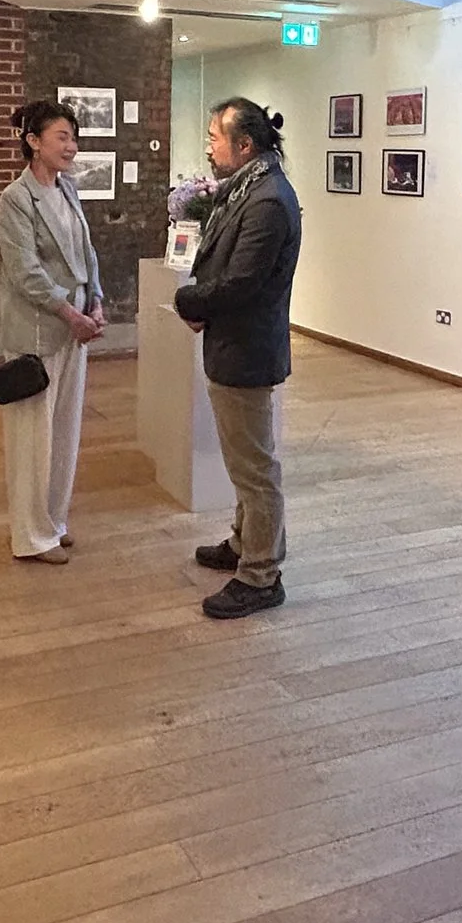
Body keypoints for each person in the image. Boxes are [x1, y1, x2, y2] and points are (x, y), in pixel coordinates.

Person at [175, 97, 303, 619]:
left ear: (244, 145)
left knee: (254, 467)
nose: (208, 146)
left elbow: (245, 281)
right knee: (243, 461)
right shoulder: (250, 189)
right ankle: (242, 543)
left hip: (248, 348)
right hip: (235, 343)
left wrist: (191, 301)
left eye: (214, 137)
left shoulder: (268, 200)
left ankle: (261, 574)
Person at [0, 100, 104, 563]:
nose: (71, 147)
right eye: (62, 137)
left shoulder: (69, 191)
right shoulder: (15, 198)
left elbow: (87, 251)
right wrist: (70, 313)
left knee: (64, 431)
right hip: (38, 330)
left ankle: (54, 522)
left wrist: (96, 299)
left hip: (74, 328)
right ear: (33, 142)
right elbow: (26, 271)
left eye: (74, 138)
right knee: (31, 440)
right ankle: (31, 535)